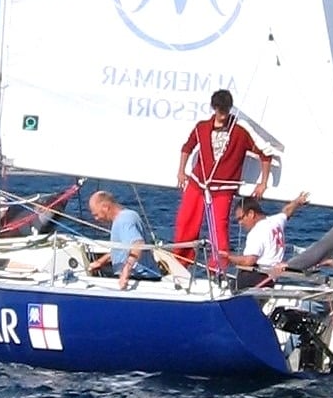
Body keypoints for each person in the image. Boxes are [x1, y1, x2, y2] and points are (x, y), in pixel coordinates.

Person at [173, 89, 272, 273]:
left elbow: (265, 155)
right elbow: (187, 147)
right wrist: (181, 171)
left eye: (226, 111)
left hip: (223, 188)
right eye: (220, 111)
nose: (223, 115)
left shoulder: (240, 133)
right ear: (214, 108)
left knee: (219, 228)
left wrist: (263, 182)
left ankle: (218, 268)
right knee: (186, 221)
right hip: (198, 182)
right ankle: (180, 261)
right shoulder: (202, 127)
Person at [231, 191, 308, 287]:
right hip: (271, 280)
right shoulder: (275, 221)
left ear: (251, 213)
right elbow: (287, 211)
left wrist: (228, 258)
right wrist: (298, 202)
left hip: (257, 279)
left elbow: (249, 261)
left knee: (234, 285)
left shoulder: (257, 232)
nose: (240, 223)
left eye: (241, 218)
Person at [85, 190, 160, 289]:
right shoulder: (123, 217)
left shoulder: (124, 220)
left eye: (96, 214)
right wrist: (100, 262)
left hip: (140, 279)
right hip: (135, 276)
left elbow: (138, 245)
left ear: (105, 207)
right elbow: (122, 250)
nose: (96, 219)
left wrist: (126, 272)